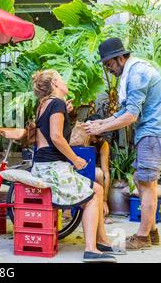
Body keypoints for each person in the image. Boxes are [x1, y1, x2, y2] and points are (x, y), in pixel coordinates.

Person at [83, 37, 161, 251]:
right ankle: (151, 232)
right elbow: (125, 110)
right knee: (142, 180)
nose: (109, 69)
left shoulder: (136, 74)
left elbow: (131, 116)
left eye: (109, 64)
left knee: (146, 184)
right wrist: (102, 121)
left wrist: (101, 129)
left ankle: (142, 237)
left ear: (119, 58)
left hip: (154, 134)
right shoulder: (133, 72)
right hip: (151, 134)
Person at [31, 69, 123, 263]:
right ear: (55, 83)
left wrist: (67, 112)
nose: (66, 82)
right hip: (52, 169)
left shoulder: (45, 104)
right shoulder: (56, 104)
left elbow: (51, 131)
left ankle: (102, 241)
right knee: (93, 195)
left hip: (44, 166)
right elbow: (56, 137)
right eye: (61, 79)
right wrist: (75, 159)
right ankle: (91, 249)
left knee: (96, 190)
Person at [85, 115, 113, 224]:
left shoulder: (102, 143)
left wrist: (105, 200)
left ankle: (100, 212)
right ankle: (67, 212)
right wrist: (86, 138)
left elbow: (106, 172)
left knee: (100, 173)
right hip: (77, 169)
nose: (97, 140)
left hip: (93, 171)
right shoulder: (80, 136)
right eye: (95, 136)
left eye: (100, 136)